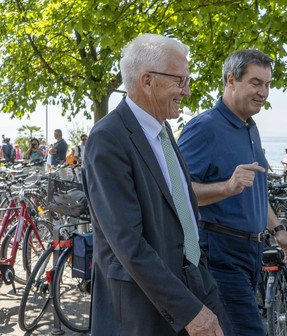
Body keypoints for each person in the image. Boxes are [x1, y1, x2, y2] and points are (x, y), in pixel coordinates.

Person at [82, 33, 223, 336]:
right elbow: (128, 244)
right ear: (147, 81)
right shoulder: (108, 138)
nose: (186, 92)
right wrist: (188, 310)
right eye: (180, 81)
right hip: (144, 307)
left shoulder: (164, 129)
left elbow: (179, 205)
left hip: (194, 280)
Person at [177, 48, 287, 335]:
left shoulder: (250, 127)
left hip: (252, 253)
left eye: (268, 84)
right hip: (220, 253)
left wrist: (278, 229)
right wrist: (227, 187)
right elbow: (174, 193)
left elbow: (256, 189)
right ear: (231, 80)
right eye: (256, 83)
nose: (264, 92)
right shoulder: (203, 128)